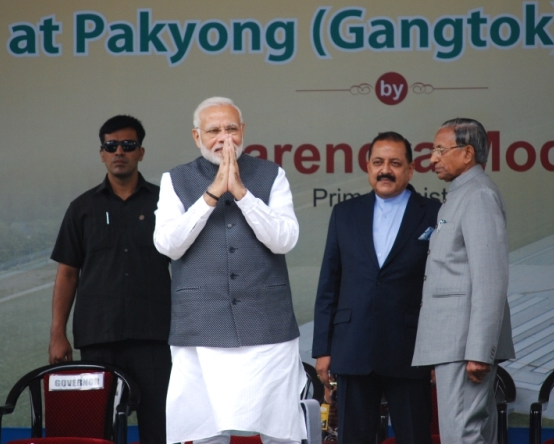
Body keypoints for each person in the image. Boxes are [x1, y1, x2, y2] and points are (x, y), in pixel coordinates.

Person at [154, 96, 305, 444]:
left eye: (231, 128)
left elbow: (285, 239)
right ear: (196, 136)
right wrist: (210, 197)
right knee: (206, 430)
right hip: (201, 325)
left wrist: (241, 194)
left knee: (280, 429)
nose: (224, 138)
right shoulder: (175, 179)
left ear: (243, 131)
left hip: (267, 324)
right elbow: (167, 244)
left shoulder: (272, 174)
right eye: (214, 130)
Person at [49, 115, 171, 444]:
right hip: (97, 338)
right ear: (102, 153)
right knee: (94, 431)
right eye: (111, 145)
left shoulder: (165, 203)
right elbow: (67, 273)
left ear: (141, 152)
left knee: (159, 429)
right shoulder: (82, 208)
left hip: (154, 337)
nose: (120, 151)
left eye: (128, 145)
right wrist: (58, 333)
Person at [312, 131, 439, 444]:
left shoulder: (434, 213)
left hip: (411, 349)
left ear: (411, 170)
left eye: (395, 163)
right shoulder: (345, 213)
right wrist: (323, 350)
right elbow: (330, 280)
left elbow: (440, 286)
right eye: (379, 162)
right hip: (353, 347)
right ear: (368, 167)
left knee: (415, 437)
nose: (386, 170)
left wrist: (438, 351)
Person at [412, 118, 514, 444]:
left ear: (467, 153)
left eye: (441, 150)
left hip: (465, 344)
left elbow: (490, 279)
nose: (433, 158)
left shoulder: (478, 195)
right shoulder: (460, 194)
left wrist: (481, 349)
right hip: (454, 343)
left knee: (463, 436)